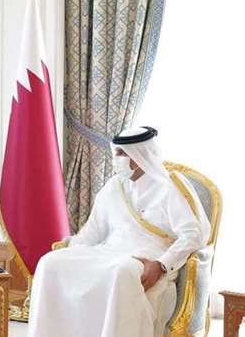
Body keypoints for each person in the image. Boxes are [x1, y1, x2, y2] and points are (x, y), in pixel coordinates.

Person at [27, 126, 210, 337]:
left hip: (149, 257)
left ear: (140, 154)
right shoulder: (114, 186)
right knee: (51, 262)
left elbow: (192, 235)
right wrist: (68, 250)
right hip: (110, 251)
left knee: (121, 273)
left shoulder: (168, 187)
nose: (117, 158)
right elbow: (92, 232)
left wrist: (161, 265)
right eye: (117, 152)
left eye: (123, 153)